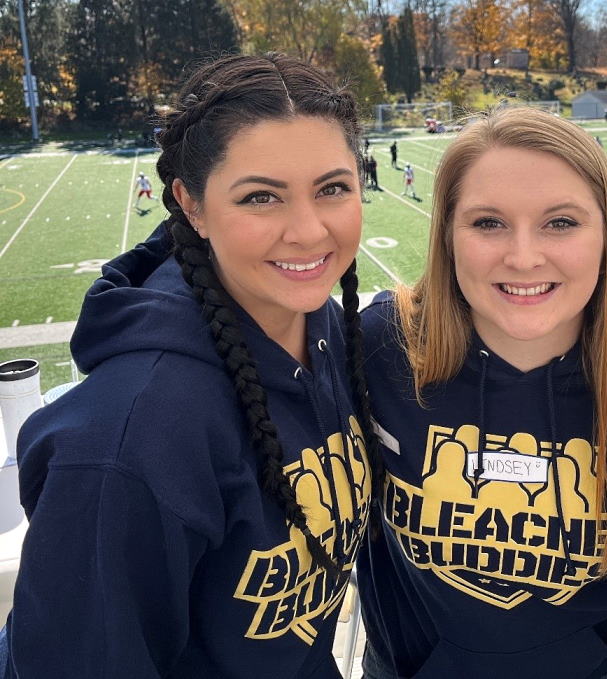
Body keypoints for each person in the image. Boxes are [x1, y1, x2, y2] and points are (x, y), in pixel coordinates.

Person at [0, 54, 374, 678]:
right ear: (191, 206)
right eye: (261, 197)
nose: (309, 231)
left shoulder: (323, 329)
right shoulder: (128, 441)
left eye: (332, 187)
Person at [357, 106, 607, 679]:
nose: (523, 257)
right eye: (489, 223)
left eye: (561, 222)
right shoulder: (380, 346)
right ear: (448, 234)